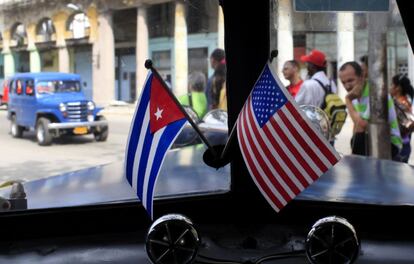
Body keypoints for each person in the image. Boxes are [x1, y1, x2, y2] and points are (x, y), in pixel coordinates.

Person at [338, 61, 402, 158]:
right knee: (356, 141)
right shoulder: (354, 96)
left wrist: (347, 100)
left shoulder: (375, 94)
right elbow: (356, 128)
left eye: (350, 80)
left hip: (390, 142)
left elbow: (361, 125)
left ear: (362, 77)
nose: (347, 86)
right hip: (372, 140)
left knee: (358, 140)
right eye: (343, 82)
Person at [390, 74, 414, 162]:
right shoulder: (400, 101)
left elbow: (409, 124)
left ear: (398, 88)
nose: (390, 87)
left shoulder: (401, 103)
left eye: (392, 84)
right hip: (402, 145)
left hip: (400, 147)